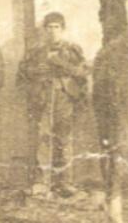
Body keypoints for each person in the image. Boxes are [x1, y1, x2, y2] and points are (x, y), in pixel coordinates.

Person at [16, 12, 89, 197]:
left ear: (63, 29)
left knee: (64, 140)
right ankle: (41, 182)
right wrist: (35, 71)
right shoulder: (35, 51)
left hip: (64, 97)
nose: (53, 31)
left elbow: (83, 74)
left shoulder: (73, 49)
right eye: (49, 27)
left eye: (57, 27)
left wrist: (61, 64)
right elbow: (21, 76)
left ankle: (65, 182)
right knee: (43, 139)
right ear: (44, 30)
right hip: (42, 98)